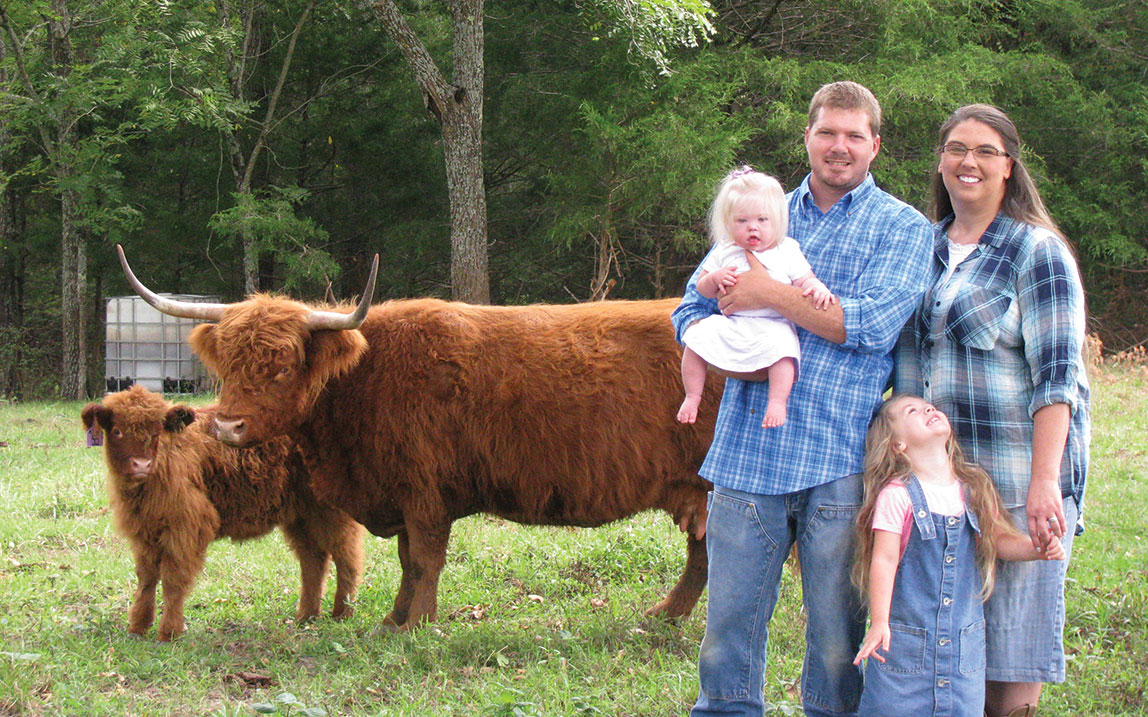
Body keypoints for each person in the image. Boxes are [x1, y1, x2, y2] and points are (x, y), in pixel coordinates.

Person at [672, 81, 933, 717]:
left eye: (853, 135)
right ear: (807, 138)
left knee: (837, 632)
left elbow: (871, 325)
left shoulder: (903, 228)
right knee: (730, 623)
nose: (838, 146)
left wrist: (767, 296)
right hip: (749, 447)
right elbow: (687, 310)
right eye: (826, 133)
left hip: (840, 454)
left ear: (875, 145)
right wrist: (727, 342)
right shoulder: (758, 212)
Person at [893, 104, 1090, 717]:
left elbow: (1059, 379)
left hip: (1010, 478)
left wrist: (1043, 484)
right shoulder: (917, 246)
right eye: (956, 148)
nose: (967, 162)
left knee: (1010, 655)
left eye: (984, 151)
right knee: (941, 653)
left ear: (1009, 166)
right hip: (934, 485)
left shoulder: (1038, 253)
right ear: (941, 161)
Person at [851, 395, 1065, 717]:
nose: (928, 410)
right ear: (897, 444)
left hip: (963, 657)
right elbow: (884, 560)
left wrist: (1036, 548)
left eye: (929, 407)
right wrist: (880, 621)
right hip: (906, 653)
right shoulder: (896, 495)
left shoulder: (972, 487)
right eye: (913, 411)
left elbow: (997, 539)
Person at [677, 167, 835, 429]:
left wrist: (817, 287)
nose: (753, 227)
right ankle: (693, 395)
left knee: (785, 352)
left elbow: (805, 279)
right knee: (696, 339)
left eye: (762, 220)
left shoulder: (786, 250)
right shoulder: (725, 251)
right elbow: (701, 289)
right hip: (734, 322)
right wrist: (715, 279)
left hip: (773, 324)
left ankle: (777, 400)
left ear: (777, 221)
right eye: (742, 221)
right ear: (728, 224)